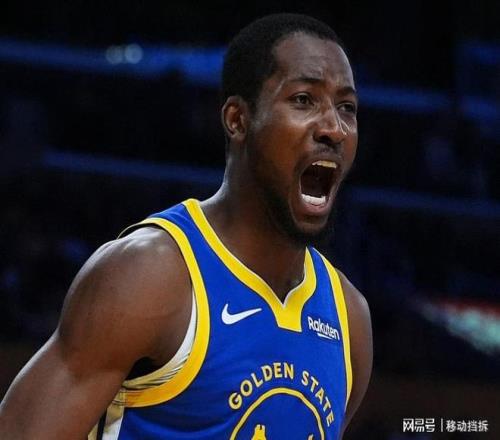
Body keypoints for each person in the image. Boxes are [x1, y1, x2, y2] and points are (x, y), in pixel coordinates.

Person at [0, 13, 372, 439]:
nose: (334, 128)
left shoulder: (350, 320)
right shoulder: (149, 275)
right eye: (304, 99)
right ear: (237, 120)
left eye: (347, 107)